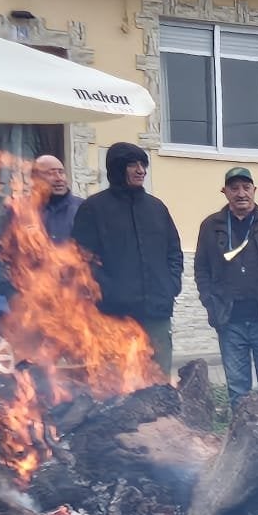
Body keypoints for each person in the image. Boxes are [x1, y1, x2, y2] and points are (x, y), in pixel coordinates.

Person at [71, 141, 182, 375]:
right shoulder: (94, 208)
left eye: (143, 164)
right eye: (133, 164)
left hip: (156, 313)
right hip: (114, 316)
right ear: (117, 169)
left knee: (158, 382)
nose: (141, 170)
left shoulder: (157, 208)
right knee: (115, 383)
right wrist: (108, 292)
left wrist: (170, 286)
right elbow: (82, 259)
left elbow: (174, 252)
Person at [192, 167, 258, 409]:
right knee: (237, 390)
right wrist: (210, 301)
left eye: (246, 187)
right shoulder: (212, 225)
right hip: (230, 321)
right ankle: (241, 441)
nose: (241, 193)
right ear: (225, 191)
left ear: (254, 190)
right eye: (234, 188)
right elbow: (202, 269)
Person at [0, 153, 82, 291]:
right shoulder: (18, 210)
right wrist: (7, 289)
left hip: (73, 300)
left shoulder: (82, 209)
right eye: (51, 173)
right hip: (31, 300)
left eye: (61, 172)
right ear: (35, 179)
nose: (59, 178)